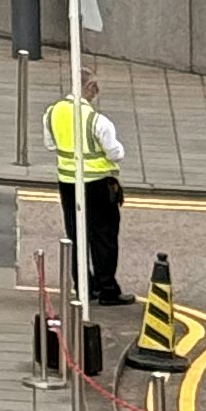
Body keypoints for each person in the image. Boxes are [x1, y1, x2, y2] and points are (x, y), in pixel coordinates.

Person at [46, 87, 127, 306]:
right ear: (89, 88)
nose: (98, 92)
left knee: (75, 234)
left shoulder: (53, 112)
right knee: (104, 237)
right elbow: (115, 153)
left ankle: (83, 286)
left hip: (67, 183)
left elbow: (50, 143)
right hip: (98, 184)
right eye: (95, 87)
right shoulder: (97, 120)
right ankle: (107, 289)